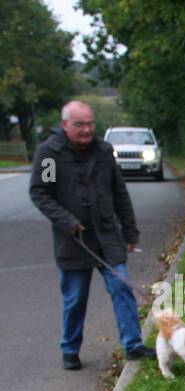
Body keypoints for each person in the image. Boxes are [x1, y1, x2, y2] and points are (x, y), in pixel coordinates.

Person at [28, 100, 153, 370]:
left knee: (122, 287)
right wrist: (67, 221)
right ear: (65, 125)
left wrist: (130, 229)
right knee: (75, 299)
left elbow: (119, 192)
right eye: (79, 125)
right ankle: (70, 349)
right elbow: (41, 193)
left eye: (90, 124)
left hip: (108, 236)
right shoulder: (49, 154)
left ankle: (133, 345)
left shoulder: (104, 152)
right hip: (74, 240)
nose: (86, 130)